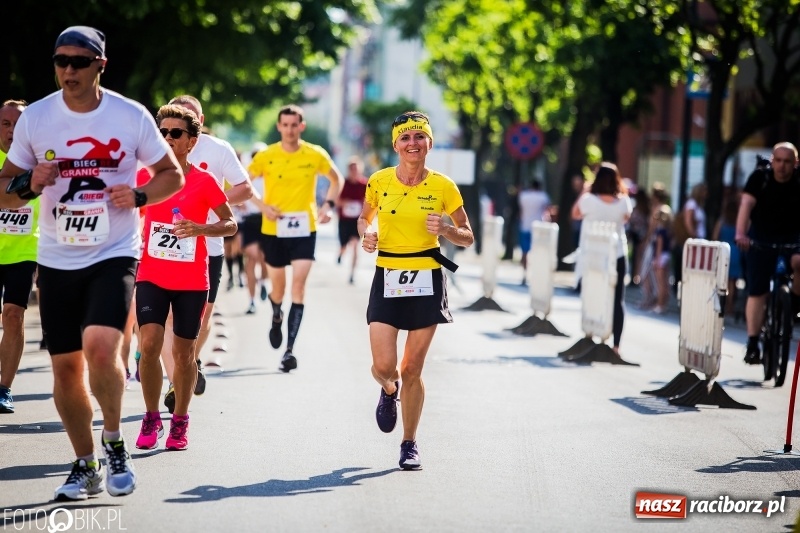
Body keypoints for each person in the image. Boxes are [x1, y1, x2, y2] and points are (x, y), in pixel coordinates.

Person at [0, 26, 184, 500]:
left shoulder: (129, 115)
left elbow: (172, 175)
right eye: (60, 61)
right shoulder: (36, 118)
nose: (68, 70)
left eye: (79, 62)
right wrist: (29, 185)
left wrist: (139, 195)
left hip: (113, 251)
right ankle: (85, 464)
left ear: (100, 65)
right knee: (65, 369)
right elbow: (4, 189)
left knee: (102, 349)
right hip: (56, 255)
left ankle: (114, 441)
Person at [358, 111, 474, 470]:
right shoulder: (379, 181)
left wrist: (447, 230)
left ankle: (409, 443)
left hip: (427, 279)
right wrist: (367, 234)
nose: (413, 143)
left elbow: (468, 236)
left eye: (419, 137)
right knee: (384, 366)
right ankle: (388, 390)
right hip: (388, 275)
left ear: (429, 143)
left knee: (411, 368)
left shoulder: (444, 186)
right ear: (396, 144)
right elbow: (364, 218)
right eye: (406, 138)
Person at [134, 104, 236, 451]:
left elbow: (230, 223)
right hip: (151, 274)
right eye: (162, 132)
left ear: (192, 141)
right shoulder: (144, 177)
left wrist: (200, 229)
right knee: (149, 345)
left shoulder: (205, 181)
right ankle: (151, 417)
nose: (167, 138)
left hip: (191, 281)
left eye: (175, 133)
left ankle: (179, 421)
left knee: (184, 354)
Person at [159, 95, 252, 401]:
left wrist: (211, 205)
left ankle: (190, 360)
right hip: (164, 246)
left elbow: (245, 189)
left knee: (201, 318)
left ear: (199, 122)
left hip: (208, 246)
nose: (175, 132)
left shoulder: (218, 149)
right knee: (168, 319)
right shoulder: (158, 149)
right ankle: (176, 382)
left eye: (188, 119)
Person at [248, 104, 343, 372]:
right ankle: (276, 313)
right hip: (273, 230)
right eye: (285, 125)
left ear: (302, 126)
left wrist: (328, 206)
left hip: (305, 229)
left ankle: (289, 351)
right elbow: (242, 183)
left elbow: (337, 179)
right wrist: (262, 206)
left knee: (298, 287)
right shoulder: (266, 156)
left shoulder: (315, 154)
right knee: (278, 289)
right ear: (279, 126)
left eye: (294, 125)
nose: (290, 130)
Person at [735, 142, 800, 364]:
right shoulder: (759, 178)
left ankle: (793, 306)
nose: (782, 166)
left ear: (795, 163)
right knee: (758, 290)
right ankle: (753, 343)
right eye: (778, 161)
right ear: (772, 160)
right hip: (761, 237)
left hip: (792, 237)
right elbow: (746, 205)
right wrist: (740, 234)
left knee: (798, 261)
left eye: (787, 162)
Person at [0, 99, 40, 414]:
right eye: (6, 123)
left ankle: (4, 388)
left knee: (13, 315)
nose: (13, 130)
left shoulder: (40, 161)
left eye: (19, 124)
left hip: (24, 251)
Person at [571, 162, 632, 356]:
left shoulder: (589, 200)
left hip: (594, 254)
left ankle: (590, 332)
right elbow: (626, 219)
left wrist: (585, 190)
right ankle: (616, 345)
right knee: (618, 299)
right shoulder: (623, 202)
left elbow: (575, 214)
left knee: (592, 291)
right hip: (618, 254)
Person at [337, 156, 368, 284]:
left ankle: (352, 274)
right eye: (352, 169)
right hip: (344, 221)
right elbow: (336, 201)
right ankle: (341, 253)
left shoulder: (365, 184)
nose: (354, 171)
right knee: (344, 245)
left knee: (355, 245)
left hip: (357, 221)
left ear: (360, 169)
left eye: (356, 169)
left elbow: (370, 202)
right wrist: (346, 203)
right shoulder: (343, 184)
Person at [672, 183, 707, 294]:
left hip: (698, 240)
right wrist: (693, 236)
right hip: (692, 241)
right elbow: (688, 222)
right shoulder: (692, 204)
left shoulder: (698, 205)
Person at [713, 191, 743, 318]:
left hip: (723, 250)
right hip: (735, 251)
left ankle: (723, 304)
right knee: (732, 281)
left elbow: (715, 236)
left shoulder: (722, 221)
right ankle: (730, 306)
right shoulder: (738, 221)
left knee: (722, 279)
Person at [517, 179, 551, 284]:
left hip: (525, 226)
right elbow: (547, 210)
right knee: (538, 252)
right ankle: (536, 274)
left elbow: (521, 211)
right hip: (538, 228)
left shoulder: (523, 196)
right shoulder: (543, 197)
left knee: (524, 252)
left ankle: (524, 273)